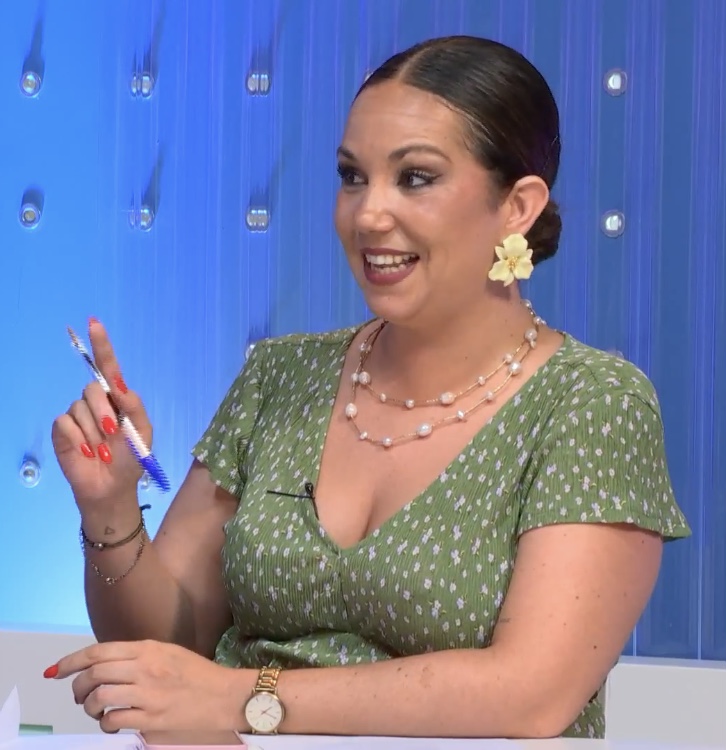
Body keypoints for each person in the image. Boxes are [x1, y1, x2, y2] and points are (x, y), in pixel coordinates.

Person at [49, 35, 690, 739]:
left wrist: (240, 697)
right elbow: (166, 654)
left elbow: (529, 695)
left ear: (517, 207)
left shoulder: (593, 404)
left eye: (415, 178)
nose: (367, 214)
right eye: (352, 177)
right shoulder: (280, 375)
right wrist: (110, 510)